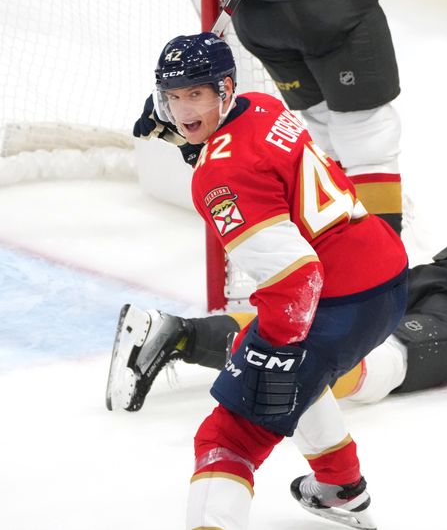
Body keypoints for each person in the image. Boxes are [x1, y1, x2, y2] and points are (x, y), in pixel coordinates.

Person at [113, 32, 408, 530]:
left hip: (336, 301)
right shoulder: (261, 105)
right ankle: (341, 487)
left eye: (196, 94)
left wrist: (274, 353)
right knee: (300, 377)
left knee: (227, 438)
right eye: (173, 95)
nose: (182, 108)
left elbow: (297, 281)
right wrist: (192, 136)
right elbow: (255, 159)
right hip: (387, 276)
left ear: (225, 88)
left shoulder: (218, 178)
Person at [108, 181, 447, 412]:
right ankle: (224, 359)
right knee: (380, 366)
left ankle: (180, 330)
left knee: (320, 322)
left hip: (446, 268)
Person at [231, 0, 404, 234]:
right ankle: (384, 258)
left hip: (257, 22)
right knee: (366, 136)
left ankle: (342, 246)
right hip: (329, 12)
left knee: (322, 125)